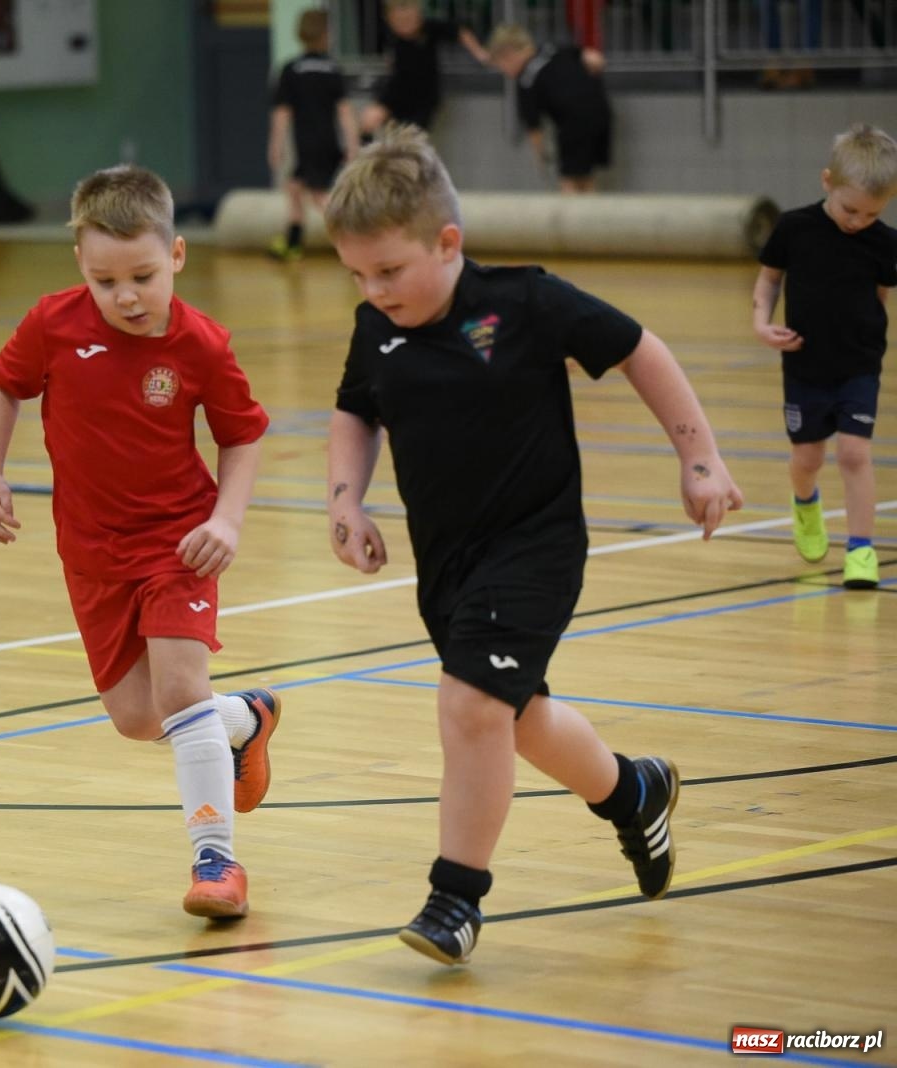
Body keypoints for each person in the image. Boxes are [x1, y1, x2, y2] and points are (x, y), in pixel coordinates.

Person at [323, 125, 743, 964]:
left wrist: (701, 458)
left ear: (449, 241)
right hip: (447, 560)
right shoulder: (378, 327)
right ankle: (634, 792)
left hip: (536, 543)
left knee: (471, 707)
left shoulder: (524, 301)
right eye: (358, 275)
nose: (374, 290)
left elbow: (641, 351)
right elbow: (356, 407)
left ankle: (455, 900)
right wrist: (347, 501)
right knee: (512, 719)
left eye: (390, 270)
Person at [0, 164, 281, 919]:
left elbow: (243, 437)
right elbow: (6, 385)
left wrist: (227, 521)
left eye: (143, 275)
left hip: (179, 544)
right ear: (80, 263)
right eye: (107, 281)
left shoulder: (202, 344)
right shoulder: (52, 324)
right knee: (140, 719)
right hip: (90, 551)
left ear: (175, 255)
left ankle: (217, 864)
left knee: (179, 692)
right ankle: (245, 719)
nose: (127, 296)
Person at [752, 123, 897, 589]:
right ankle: (806, 504)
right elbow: (770, 278)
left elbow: (879, 296)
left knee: (855, 453)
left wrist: (866, 337)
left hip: (858, 364)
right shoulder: (795, 227)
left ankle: (861, 550)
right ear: (826, 181)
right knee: (808, 457)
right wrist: (761, 322)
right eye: (850, 209)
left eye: (872, 214)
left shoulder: (885, 242)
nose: (858, 221)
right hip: (804, 363)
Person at [267, 8, 357, 262]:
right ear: (326, 34)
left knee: (319, 196)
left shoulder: (291, 69)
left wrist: (275, 146)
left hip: (306, 143)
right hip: (327, 142)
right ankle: (294, 241)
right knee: (294, 187)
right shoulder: (331, 69)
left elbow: (281, 115)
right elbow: (345, 112)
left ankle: (353, 240)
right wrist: (351, 145)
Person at [486, 24, 611, 193]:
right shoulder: (551, 48)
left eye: (501, 65)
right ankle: (593, 216)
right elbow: (595, 59)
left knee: (569, 181)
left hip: (574, 120)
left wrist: (541, 158)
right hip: (601, 109)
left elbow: (534, 128)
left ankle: (576, 218)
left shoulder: (526, 80)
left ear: (508, 55)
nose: (505, 72)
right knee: (585, 176)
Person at [359, 0, 488, 138]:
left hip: (423, 96)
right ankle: (365, 157)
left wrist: (481, 54)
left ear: (418, 15)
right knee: (368, 120)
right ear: (390, 19)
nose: (404, 25)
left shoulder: (430, 29)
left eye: (408, 19)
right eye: (398, 20)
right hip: (397, 90)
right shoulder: (391, 35)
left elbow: (461, 33)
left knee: (409, 139)